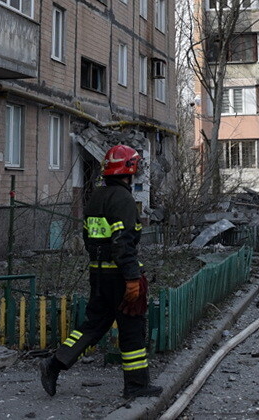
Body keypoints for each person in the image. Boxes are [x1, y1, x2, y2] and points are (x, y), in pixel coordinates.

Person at [41, 145, 162, 402]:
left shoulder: (96, 197)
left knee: (93, 325)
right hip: (119, 277)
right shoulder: (123, 199)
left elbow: (88, 238)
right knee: (132, 329)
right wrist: (131, 278)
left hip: (98, 275)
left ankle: (55, 363)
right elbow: (123, 242)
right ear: (129, 169)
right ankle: (136, 385)